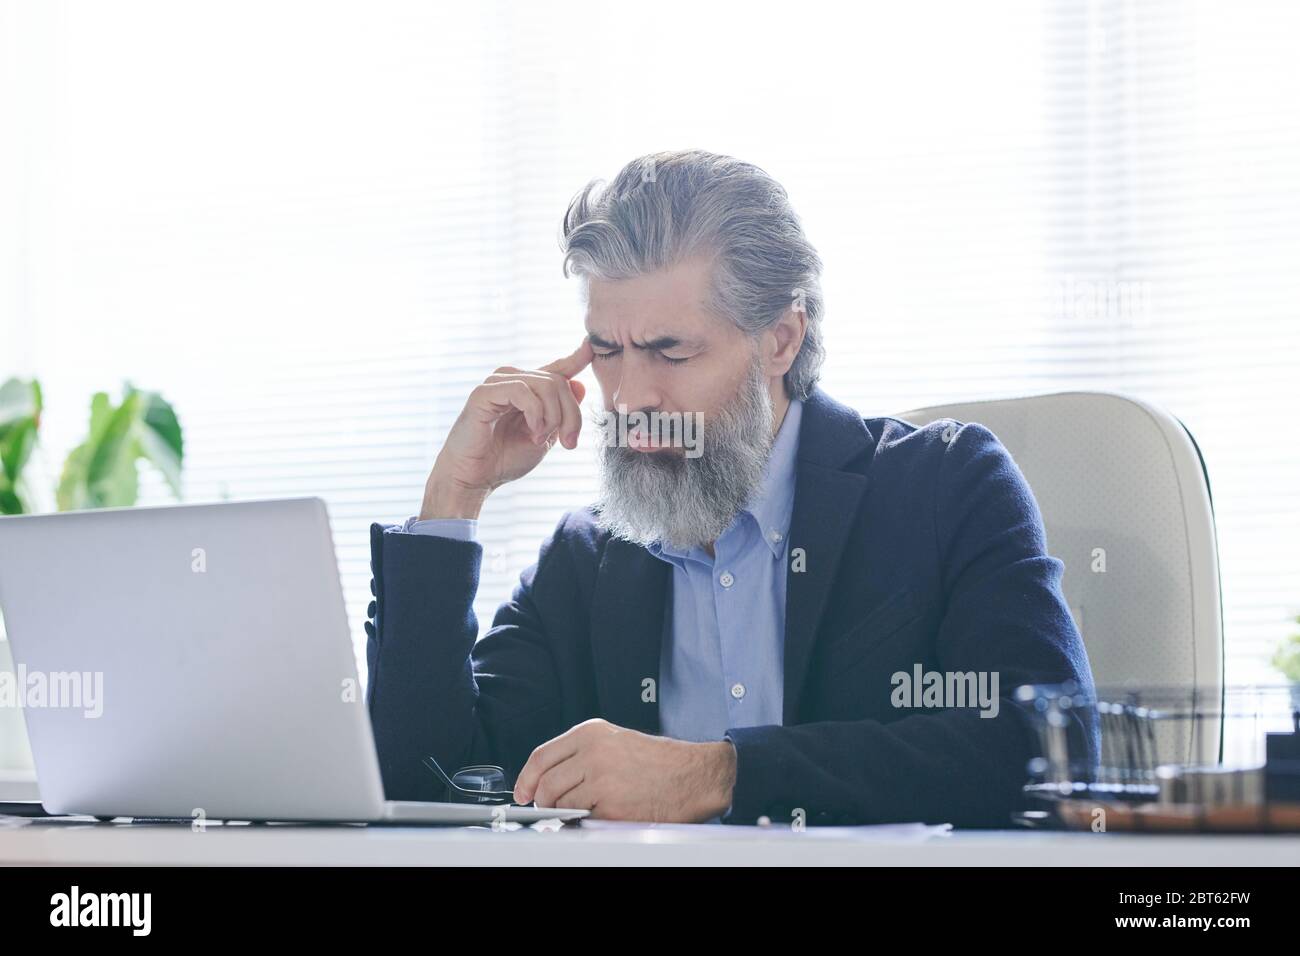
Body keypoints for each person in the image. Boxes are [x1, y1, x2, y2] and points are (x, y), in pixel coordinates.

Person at [365, 149, 1097, 826]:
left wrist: (717, 775)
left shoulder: (945, 484)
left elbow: (1049, 753)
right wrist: (453, 498)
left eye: (670, 351)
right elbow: (427, 782)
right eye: (609, 351)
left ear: (780, 339)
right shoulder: (585, 560)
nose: (630, 398)